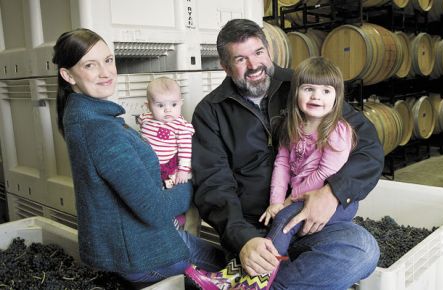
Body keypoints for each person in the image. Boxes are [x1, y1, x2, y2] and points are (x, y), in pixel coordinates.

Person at [188, 19, 384, 290]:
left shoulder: (304, 85)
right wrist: (243, 239)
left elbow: (368, 147)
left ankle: (245, 284)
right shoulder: (210, 111)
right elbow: (213, 185)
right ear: (224, 66)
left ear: (270, 51)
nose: (254, 65)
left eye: (258, 53)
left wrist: (333, 193)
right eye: (240, 59)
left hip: (313, 223)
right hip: (255, 230)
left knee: (362, 250)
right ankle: (259, 276)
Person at [52, 28, 225, 289]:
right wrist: (189, 181)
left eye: (108, 60)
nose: (106, 72)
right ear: (68, 75)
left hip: (130, 247)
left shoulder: (80, 116)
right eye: (90, 65)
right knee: (237, 265)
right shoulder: (100, 131)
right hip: (147, 254)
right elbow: (155, 210)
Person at [138, 77, 195, 229]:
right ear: (148, 106)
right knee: (150, 195)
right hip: (149, 166)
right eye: (160, 105)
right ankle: (151, 222)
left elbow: (185, 149)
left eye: (174, 104)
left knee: (169, 194)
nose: (168, 110)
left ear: (181, 103)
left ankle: (176, 219)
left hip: (169, 168)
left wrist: (183, 170)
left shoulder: (181, 127)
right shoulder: (146, 119)